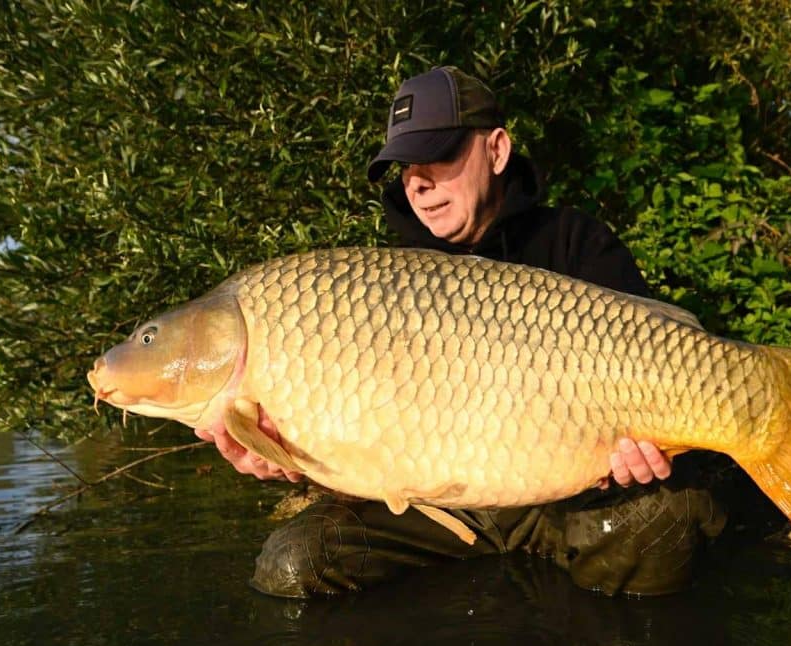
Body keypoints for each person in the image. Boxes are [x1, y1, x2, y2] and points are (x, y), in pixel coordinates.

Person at [199, 66, 724, 597]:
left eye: (440, 155)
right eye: (405, 166)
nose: (419, 182)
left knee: (668, 520)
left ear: (496, 151)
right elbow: (356, 442)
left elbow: (663, 377)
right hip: (438, 511)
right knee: (297, 565)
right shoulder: (376, 285)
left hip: (567, 502)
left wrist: (637, 459)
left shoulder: (574, 244)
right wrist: (287, 459)